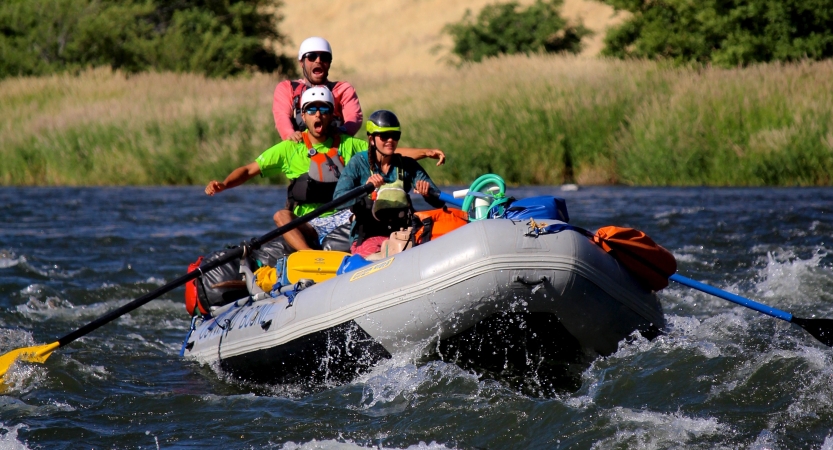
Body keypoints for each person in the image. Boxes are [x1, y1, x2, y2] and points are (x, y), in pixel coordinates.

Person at [206, 88, 445, 252]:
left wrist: (426, 152)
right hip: (310, 222)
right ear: (303, 116)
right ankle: (311, 256)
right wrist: (224, 184)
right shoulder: (291, 147)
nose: (318, 114)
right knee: (281, 216)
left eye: (323, 109)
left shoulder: (348, 144)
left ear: (332, 114)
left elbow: (389, 149)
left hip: (345, 214)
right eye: (311, 110)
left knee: (369, 207)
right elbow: (249, 170)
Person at [333, 110, 445, 257]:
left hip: (403, 234)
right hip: (367, 236)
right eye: (384, 136)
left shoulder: (407, 165)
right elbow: (338, 200)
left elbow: (439, 201)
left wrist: (427, 194)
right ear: (371, 139)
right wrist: (364, 189)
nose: (390, 140)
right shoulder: (358, 162)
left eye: (395, 135)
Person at [272, 37, 362, 142]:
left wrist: (342, 131)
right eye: (311, 57)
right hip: (298, 148)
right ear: (302, 62)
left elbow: (354, 117)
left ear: (329, 63)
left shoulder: (343, 90)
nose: (318, 61)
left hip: (334, 148)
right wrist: (289, 133)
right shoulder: (288, 88)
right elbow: (281, 116)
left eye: (324, 57)